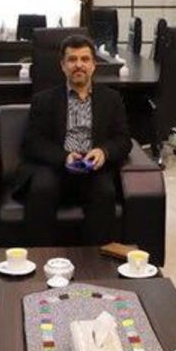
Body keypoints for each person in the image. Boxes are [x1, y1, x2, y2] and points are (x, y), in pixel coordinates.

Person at [15, 34, 132, 245]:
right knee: (41, 189)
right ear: (63, 66)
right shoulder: (43, 100)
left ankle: (96, 260)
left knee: (105, 192)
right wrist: (64, 157)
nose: (79, 65)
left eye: (85, 59)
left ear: (94, 65)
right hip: (55, 166)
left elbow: (123, 139)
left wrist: (104, 152)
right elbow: (33, 142)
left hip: (93, 168)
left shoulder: (111, 99)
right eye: (72, 59)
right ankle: (41, 258)